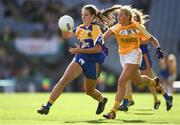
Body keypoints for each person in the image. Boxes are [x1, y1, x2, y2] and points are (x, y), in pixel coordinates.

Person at [101, 6, 173, 119]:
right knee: (138, 81)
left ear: (128, 17)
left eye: (121, 15)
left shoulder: (137, 26)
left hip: (135, 55)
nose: (118, 17)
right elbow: (103, 38)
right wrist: (101, 45)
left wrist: (158, 48)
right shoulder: (116, 27)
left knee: (121, 82)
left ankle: (113, 111)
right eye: (118, 15)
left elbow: (152, 38)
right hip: (123, 57)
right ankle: (155, 83)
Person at [37, 4, 109, 115]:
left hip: (93, 61)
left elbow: (98, 49)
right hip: (80, 58)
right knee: (63, 80)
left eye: (86, 15)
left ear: (93, 16)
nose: (83, 17)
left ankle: (102, 100)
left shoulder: (96, 29)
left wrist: (80, 50)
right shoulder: (80, 28)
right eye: (82, 15)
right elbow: (66, 35)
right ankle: (47, 106)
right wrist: (63, 26)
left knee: (89, 91)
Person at [118, 8, 161, 112]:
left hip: (143, 56)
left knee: (147, 79)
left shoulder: (140, 29)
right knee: (126, 79)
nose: (133, 20)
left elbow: (147, 41)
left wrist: (135, 39)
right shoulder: (126, 29)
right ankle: (128, 99)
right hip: (131, 57)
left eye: (136, 18)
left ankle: (156, 99)